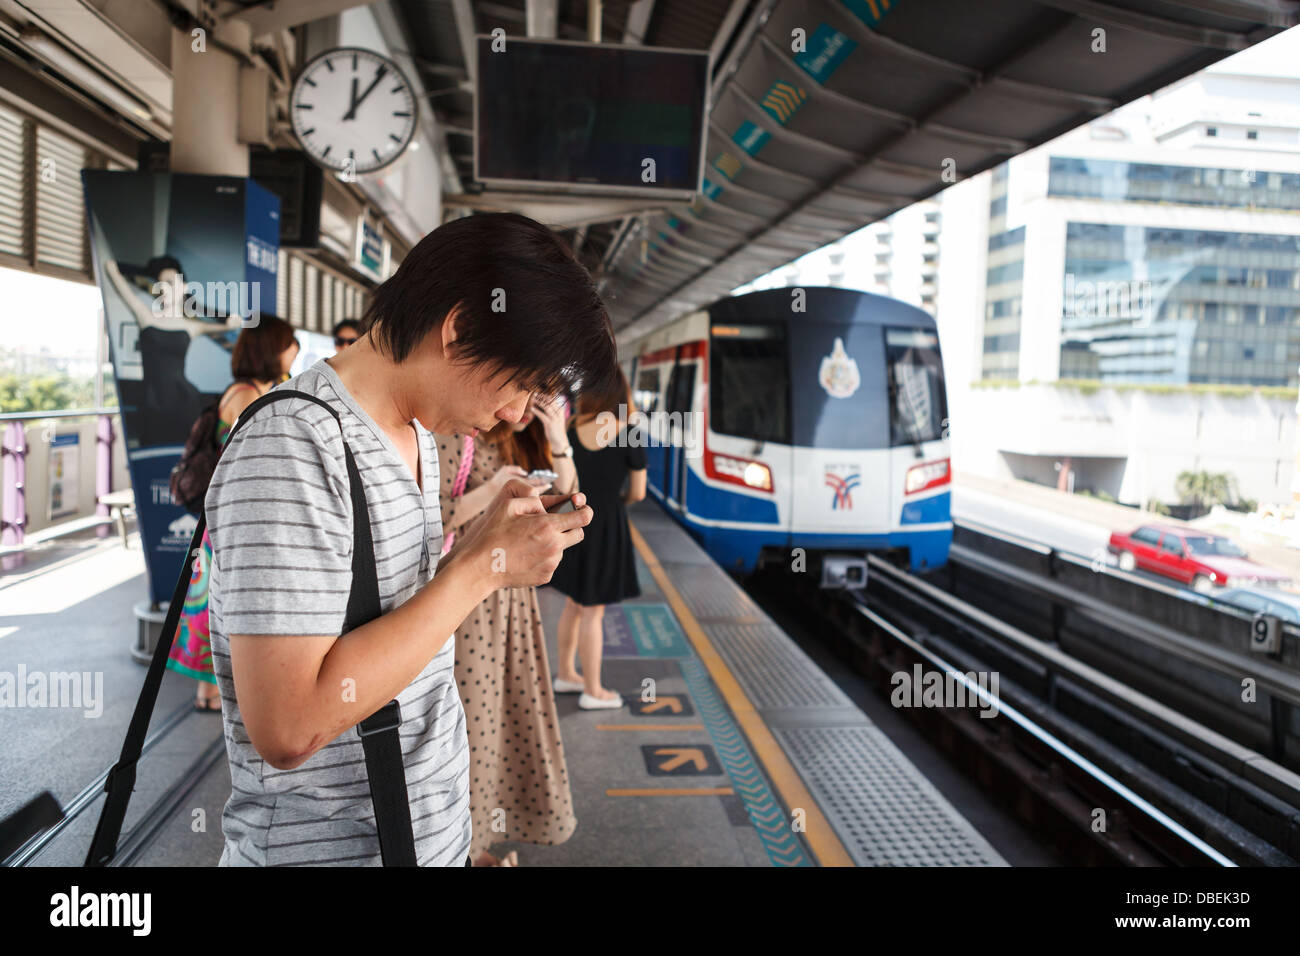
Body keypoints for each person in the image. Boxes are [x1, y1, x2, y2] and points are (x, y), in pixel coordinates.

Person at [204, 212, 616, 867]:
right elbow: (288, 726)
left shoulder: (417, 434)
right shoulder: (292, 447)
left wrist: (487, 538)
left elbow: (394, 624)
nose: (518, 414)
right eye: (521, 383)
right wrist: (482, 568)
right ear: (460, 330)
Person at [437, 392, 578, 866]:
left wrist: (558, 440)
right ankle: (467, 847)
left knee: (503, 716)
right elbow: (437, 516)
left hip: (512, 600)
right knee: (472, 722)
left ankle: (486, 843)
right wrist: (496, 487)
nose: (524, 415)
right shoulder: (462, 431)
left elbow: (567, 500)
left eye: (540, 406)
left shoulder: (535, 439)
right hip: (466, 600)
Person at [167, 315, 300, 711]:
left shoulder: (248, 390)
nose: (295, 349)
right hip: (230, 522)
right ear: (273, 349)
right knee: (218, 602)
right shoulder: (248, 396)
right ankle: (210, 694)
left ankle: (209, 693)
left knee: (212, 598)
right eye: (290, 342)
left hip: (222, 521)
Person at [548, 369, 647, 710]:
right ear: (622, 394)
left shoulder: (572, 429)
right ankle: (593, 689)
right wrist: (619, 503)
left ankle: (565, 674)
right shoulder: (629, 433)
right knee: (593, 613)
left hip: (575, 520)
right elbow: (638, 491)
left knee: (574, 605)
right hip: (607, 527)